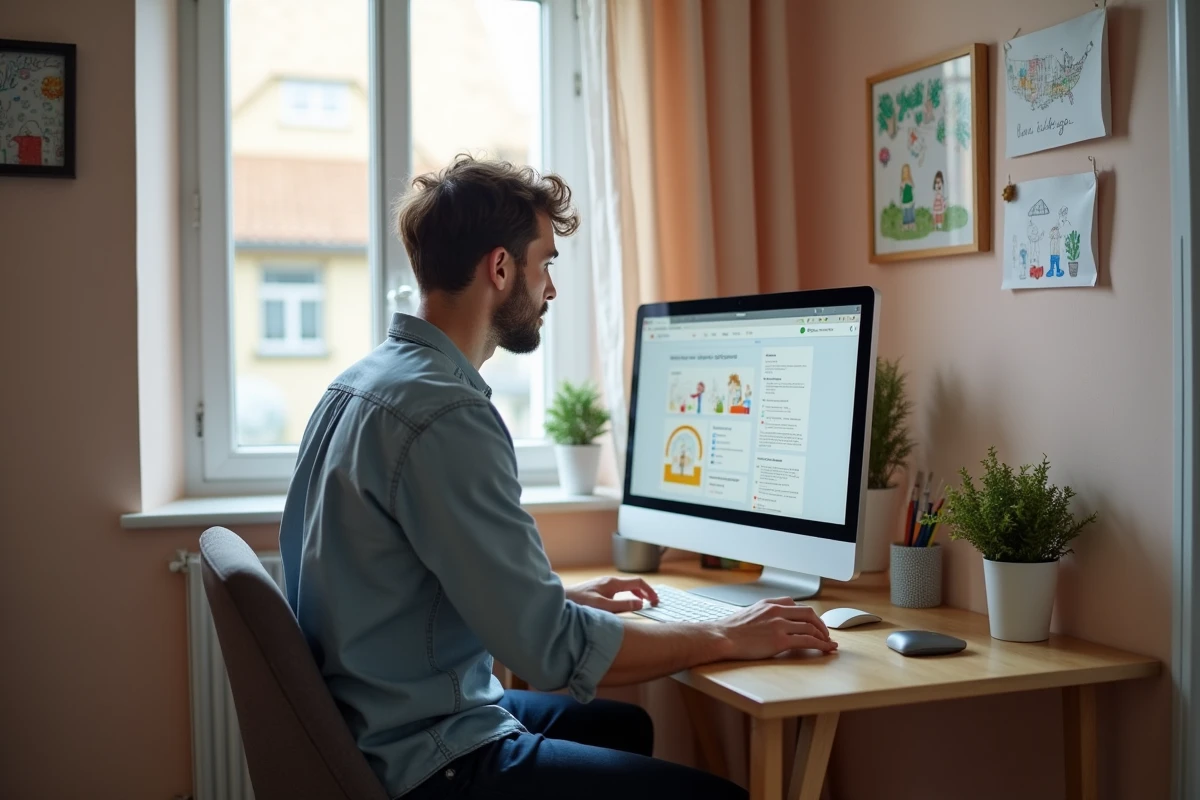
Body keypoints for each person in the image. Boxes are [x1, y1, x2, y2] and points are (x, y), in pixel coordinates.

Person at [279, 155, 837, 800]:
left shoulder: (357, 384)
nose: (550, 289)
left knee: (622, 728)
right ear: (500, 268)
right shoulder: (449, 415)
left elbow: (401, 588)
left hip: (367, 729)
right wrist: (723, 633)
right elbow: (549, 656)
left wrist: (556, 601)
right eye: (545, 263)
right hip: (428, 758)